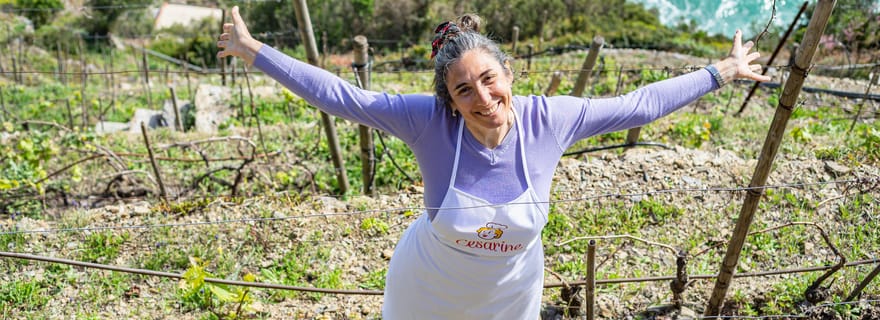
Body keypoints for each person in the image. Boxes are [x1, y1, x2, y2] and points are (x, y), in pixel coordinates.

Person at [217, 6, 770, 319]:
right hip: (426, 293)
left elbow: (637, 105)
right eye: (464, 90)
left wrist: (721, 71)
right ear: (449, 101)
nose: (482, 99)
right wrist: (254, 50)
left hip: (511, 297)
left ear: (509, 75)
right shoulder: (427, 122)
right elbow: (343, 97)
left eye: (489, 79)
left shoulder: (550, 120)